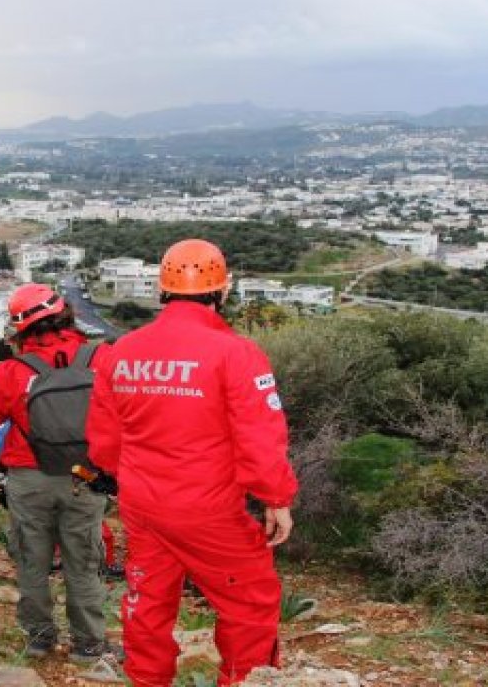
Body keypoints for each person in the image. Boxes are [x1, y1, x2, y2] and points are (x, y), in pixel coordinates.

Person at [86, 239, 298, 687]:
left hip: (143, 506)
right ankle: (242, 679)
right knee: (251, 602)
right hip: (209, 509)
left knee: (148, 603)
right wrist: (276, 498)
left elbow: (104, 444)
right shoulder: (236, 354)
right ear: (222, 290)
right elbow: (260, 438)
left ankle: (147, 680)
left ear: (162, 289)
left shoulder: (121, 351)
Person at [0, 283, 114, 662]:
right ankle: (89, 643)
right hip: (86, 474)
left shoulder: (12, 371)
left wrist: (1, 369)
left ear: (18, 328)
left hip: (30, 476)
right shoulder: (102, 358)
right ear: (64, 313)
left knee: (33, 559)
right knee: (83, 560)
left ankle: (40, 639)